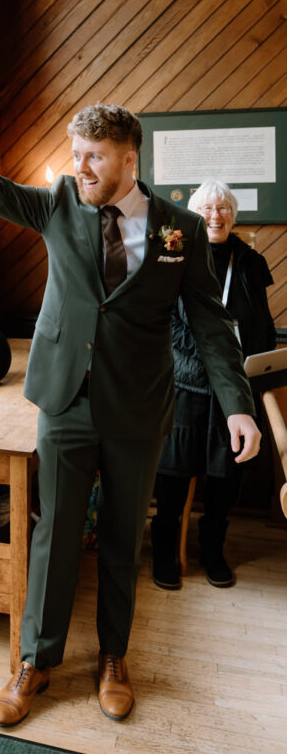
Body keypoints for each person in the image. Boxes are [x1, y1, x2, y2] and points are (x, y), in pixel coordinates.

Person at [0, 68, 261, 726]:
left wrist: (236, 404)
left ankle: (112, 658)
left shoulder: (177, 230)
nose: (79, 166)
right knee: (53, 535)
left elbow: (211, 327)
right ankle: (33, 663)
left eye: (92, 156)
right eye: (75, 154)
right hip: (64, 400)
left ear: (130, 157)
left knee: (126, 539)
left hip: (137, 410)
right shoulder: (58, 203)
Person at [152, 181, 276, 591]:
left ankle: (211, 548)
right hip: (183, 384)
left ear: (233, 216)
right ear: (192, 215)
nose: (215, 215)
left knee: (227, 476)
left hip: (232, 390)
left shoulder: (250, 262)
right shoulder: (173, 253)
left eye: (223, 208)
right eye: (206, 208)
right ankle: (165, 550)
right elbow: (164, 321)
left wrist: (247, 367)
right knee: (172, 474)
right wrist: (204, 360)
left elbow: (262, 324)